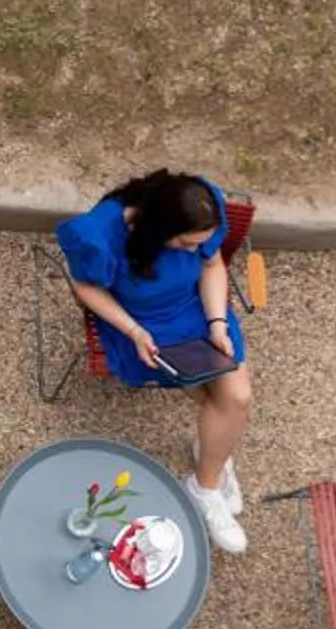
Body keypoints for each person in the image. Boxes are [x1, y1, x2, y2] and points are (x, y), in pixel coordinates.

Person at [54, 169, 256, 553]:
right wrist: (133, 331)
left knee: (237, 397)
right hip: (144, 324)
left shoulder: (203, 207)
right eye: (184, 243)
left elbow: (212, 265)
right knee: (222, 401)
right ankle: (213, 458)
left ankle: (204, 483)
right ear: (157, 228)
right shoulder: (100, 236)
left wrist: (217, 324)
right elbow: (84, 287)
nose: (192, 251)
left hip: (198, 309)